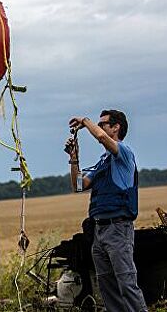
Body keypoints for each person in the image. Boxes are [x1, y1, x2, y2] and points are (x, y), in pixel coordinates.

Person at [65, 110, 147, 312]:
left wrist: (85, 121)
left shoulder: (124, 153)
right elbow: (78, 185)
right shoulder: (103, 161)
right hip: (100, 231)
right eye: (99, 124)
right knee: (107, 286)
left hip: (118, 228)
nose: (100, 128)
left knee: (126, 283)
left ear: (116, 127)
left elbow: (101, 138)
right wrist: (74, 158)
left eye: (104, 124)